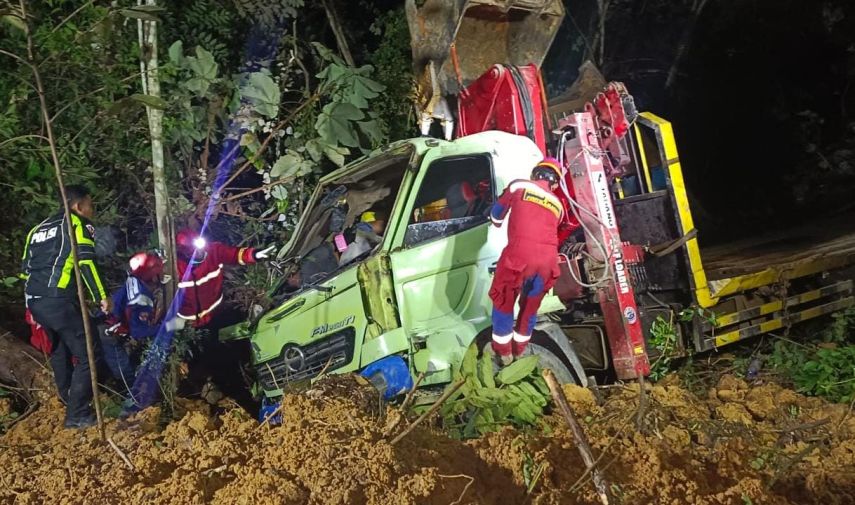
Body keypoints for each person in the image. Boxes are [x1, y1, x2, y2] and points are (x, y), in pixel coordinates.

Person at [20, 184, 110, 428]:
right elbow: (86, 261)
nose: (91, 210)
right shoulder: (77, 224)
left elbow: (25, 270)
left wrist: (32, 303)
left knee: (59, 351)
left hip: (36, 301)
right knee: (89, 355)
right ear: (78, 205)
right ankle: (77, 414)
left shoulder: (36, 230)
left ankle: (67, 398)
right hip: (59, 300)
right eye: (90, 205)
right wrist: (101, 295)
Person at [488, 158, 564, 366]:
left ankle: (503, 354)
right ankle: (520, 351)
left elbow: (495, 217)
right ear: (555, 183)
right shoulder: (558, 205)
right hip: (548, 263)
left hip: (519, 256)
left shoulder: (519, 185)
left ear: (535, 174)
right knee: (530, 307)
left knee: (503, 299)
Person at [172, 229, 275, 328]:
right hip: (188, 322)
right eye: (193, 252)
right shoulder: (175, 267)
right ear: (184, 254)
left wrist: (255, 254)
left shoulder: (213, 251)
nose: (199, 253)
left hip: (216, 312)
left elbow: (234, 254)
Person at [99, 251, 166, 387]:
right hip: (108, 333)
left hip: (105, 325)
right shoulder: (142, 299)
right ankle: (130, 398)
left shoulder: (134, 280)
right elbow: (138, 331)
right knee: (125, 373)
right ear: (153, 276)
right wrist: (164, 328)